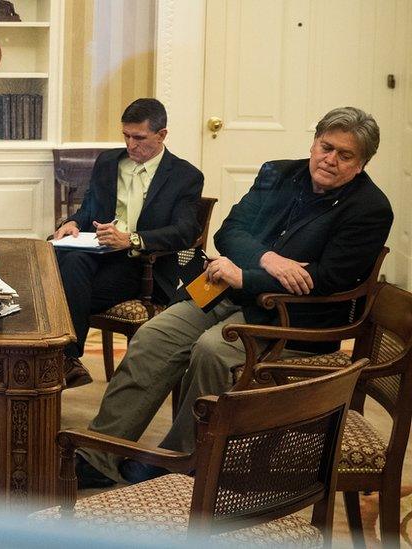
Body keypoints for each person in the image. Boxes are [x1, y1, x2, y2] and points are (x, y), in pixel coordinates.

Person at [74, 106, 394, 488]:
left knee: (211, 351)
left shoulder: (371, 209)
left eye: (346, 156)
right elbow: (230, 232)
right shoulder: (278, 172)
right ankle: (101, 455)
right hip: (227, 291)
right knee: (154, 336)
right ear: (313, 143)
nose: (331, 160)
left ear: (361, 165)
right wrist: (269, 259)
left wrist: (246, 275)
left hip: (295, 318)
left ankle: (182, 461)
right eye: (327, 147)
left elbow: (325, 279)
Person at [54, 98, 204, 387]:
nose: (131, 144)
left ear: (162, 135)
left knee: (58, 290)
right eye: (126, 136)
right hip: (97, 253)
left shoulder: (185, 176)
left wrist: (132, 239)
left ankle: (63, 360)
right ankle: (67, 362)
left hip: (142, 265)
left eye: (139, 138)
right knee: (64, 262)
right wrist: (71, 222)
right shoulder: (109, 162)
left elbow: (186, 231)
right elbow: (89, 208)